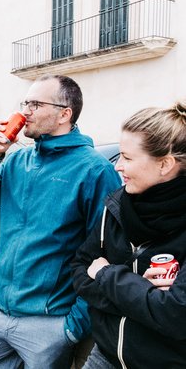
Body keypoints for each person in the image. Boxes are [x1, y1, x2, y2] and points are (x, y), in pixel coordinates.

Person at [0, 75, 121, 368]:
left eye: (35, 104)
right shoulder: (16, 160)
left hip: (48, 321)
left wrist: (74, 326)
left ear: (65, 114)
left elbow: (107, 252)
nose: (24, 111)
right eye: (24, 102)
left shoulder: (95, 170)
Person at [71, 102, 186, 369]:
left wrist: (106, 274)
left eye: (128, 157)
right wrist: (139, 295)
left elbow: (175, 315)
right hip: (104, 357)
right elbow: (79, 268)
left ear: (165, 164)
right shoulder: (116, 206)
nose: (117, 166)